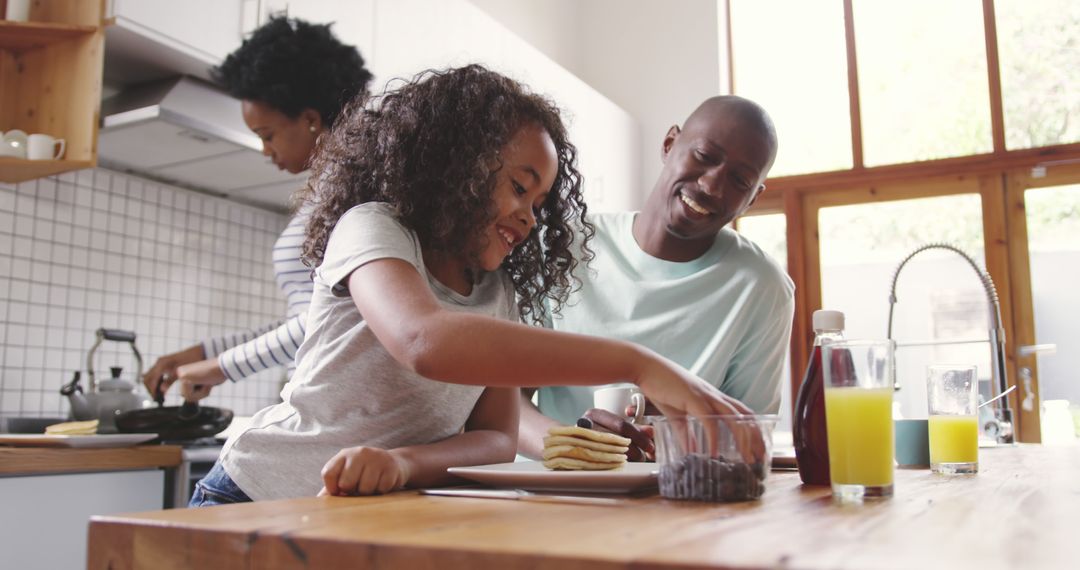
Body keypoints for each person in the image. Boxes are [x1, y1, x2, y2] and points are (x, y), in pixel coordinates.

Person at [184, 65, 760, 505]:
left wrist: (405, 463)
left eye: (540, 202)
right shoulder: (374, 228)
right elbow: (423, 342)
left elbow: (495, 439)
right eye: (518, 187)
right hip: (254, 494)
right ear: (454, 165)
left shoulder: (496, 291)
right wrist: (638, 362)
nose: (531, 217)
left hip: (358, 510)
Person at [518, 95, 795, 461]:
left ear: (752, 199)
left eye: (739, 180)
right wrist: (578, 449)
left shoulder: (762, 287)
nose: (712, 186)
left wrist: (670, 432)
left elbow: (749, 437)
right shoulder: (561, 246)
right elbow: (503, 400)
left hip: (675, 499)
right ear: (669, 144)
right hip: (547, 491)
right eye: (704, 157)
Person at [141, 17, 373, 398]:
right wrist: (206, 354)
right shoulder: (328, 192)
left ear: (311, 119)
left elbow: (338, 318)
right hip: (321, 392)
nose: (265, 151)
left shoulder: (354, 190)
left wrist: (220, 367)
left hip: (339, 398)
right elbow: (309, 318)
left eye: (268, 135)